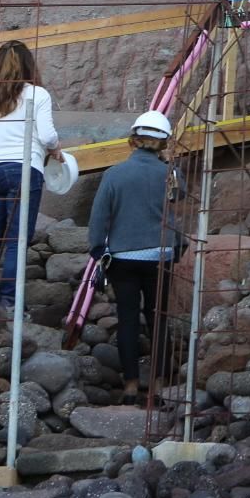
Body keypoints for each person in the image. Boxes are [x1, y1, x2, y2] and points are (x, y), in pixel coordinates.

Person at [88, 110, 184, 404]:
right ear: (163, 142)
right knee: (158, 319)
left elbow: (98, 220)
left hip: (122, 258)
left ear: (133, 140)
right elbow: (179, 200)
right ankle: (158, 384)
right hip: (160, 256)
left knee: (127, 319)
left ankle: (130, 386)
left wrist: (97, 250)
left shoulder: (114, 174)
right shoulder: (170, 174)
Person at [0, 41, 60, 312]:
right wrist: (56, 149)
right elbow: (47, 135)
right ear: (29, 64)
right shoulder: (38, 94)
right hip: (24, 169)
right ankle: (10, 304)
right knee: (16, 240)